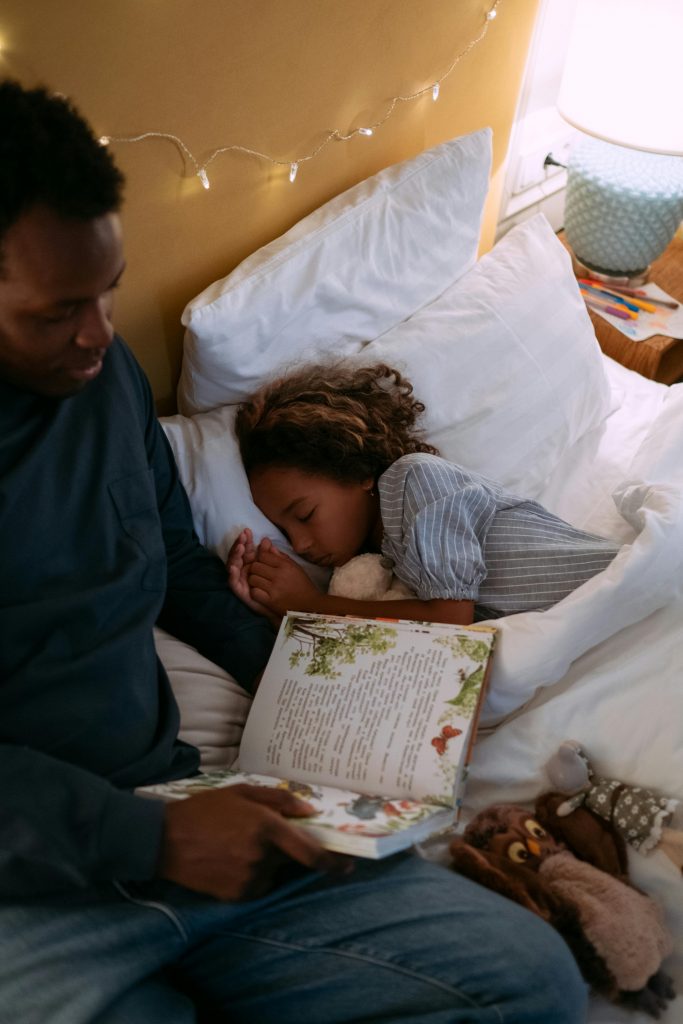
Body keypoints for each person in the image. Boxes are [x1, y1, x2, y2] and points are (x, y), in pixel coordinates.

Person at [0, 79, 589, 1024]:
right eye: (55, 312)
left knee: (526, 980)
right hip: (32, 890)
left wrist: (320, 694)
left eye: (107, 293)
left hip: (176, 798)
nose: (99, 338)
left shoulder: (101, 378)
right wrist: (144, 840)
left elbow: (179, 573)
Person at [229, 362, 620, 625]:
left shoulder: (415, 481)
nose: (299, 544)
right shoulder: (378, 560)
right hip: (574, 622)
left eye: (305, 515)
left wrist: (310, 605)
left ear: (358, 471)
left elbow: (451, 618)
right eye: (283, 529)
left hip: (605, 587)